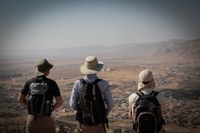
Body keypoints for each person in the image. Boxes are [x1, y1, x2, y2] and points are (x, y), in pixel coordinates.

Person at [70, 56, 114, 133]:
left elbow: (72, 104)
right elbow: (111, 104)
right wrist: (103, 112)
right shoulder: (103, 84)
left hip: (84, 124)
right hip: (99, 123)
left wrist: (83, 110)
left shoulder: (78, 83)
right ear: (97, 69)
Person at [18, 58, 63, 133]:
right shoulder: (52, 83)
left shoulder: (29, 82)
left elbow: (20, 99)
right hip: (46, 119)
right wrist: (50, 109)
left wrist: (29, 107)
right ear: (47, 71)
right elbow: (60, 102)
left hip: (31, 119)